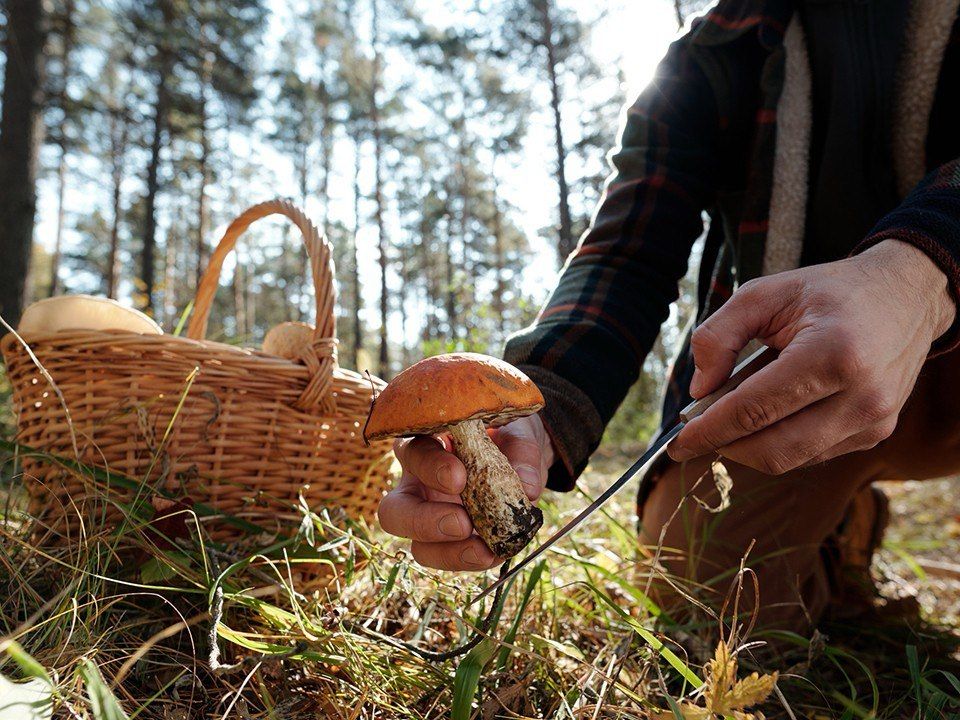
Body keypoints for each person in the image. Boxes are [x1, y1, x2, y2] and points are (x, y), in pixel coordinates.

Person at [377, 0, 960, 631]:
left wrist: (919, 272)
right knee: (700, 592)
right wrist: (543, 407)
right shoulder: (717, 50)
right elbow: (627, 255)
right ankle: (846, 523)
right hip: (789, 382)